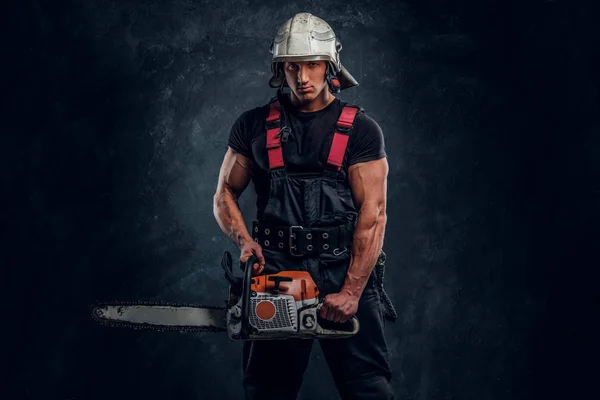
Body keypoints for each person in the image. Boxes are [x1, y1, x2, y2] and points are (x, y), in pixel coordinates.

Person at [213, 12, 394, 400]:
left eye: (312, 64)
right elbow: (224, 194)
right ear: (280, 68)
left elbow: (373, 216)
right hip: (278, 273)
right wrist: (244, 240)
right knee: (267, 391)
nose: (303, 76)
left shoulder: (362, 131)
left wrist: (350, 291)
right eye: (292, 65)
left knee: (368, 389)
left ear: (330, 66)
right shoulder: (253, 125)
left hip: (343, 268)